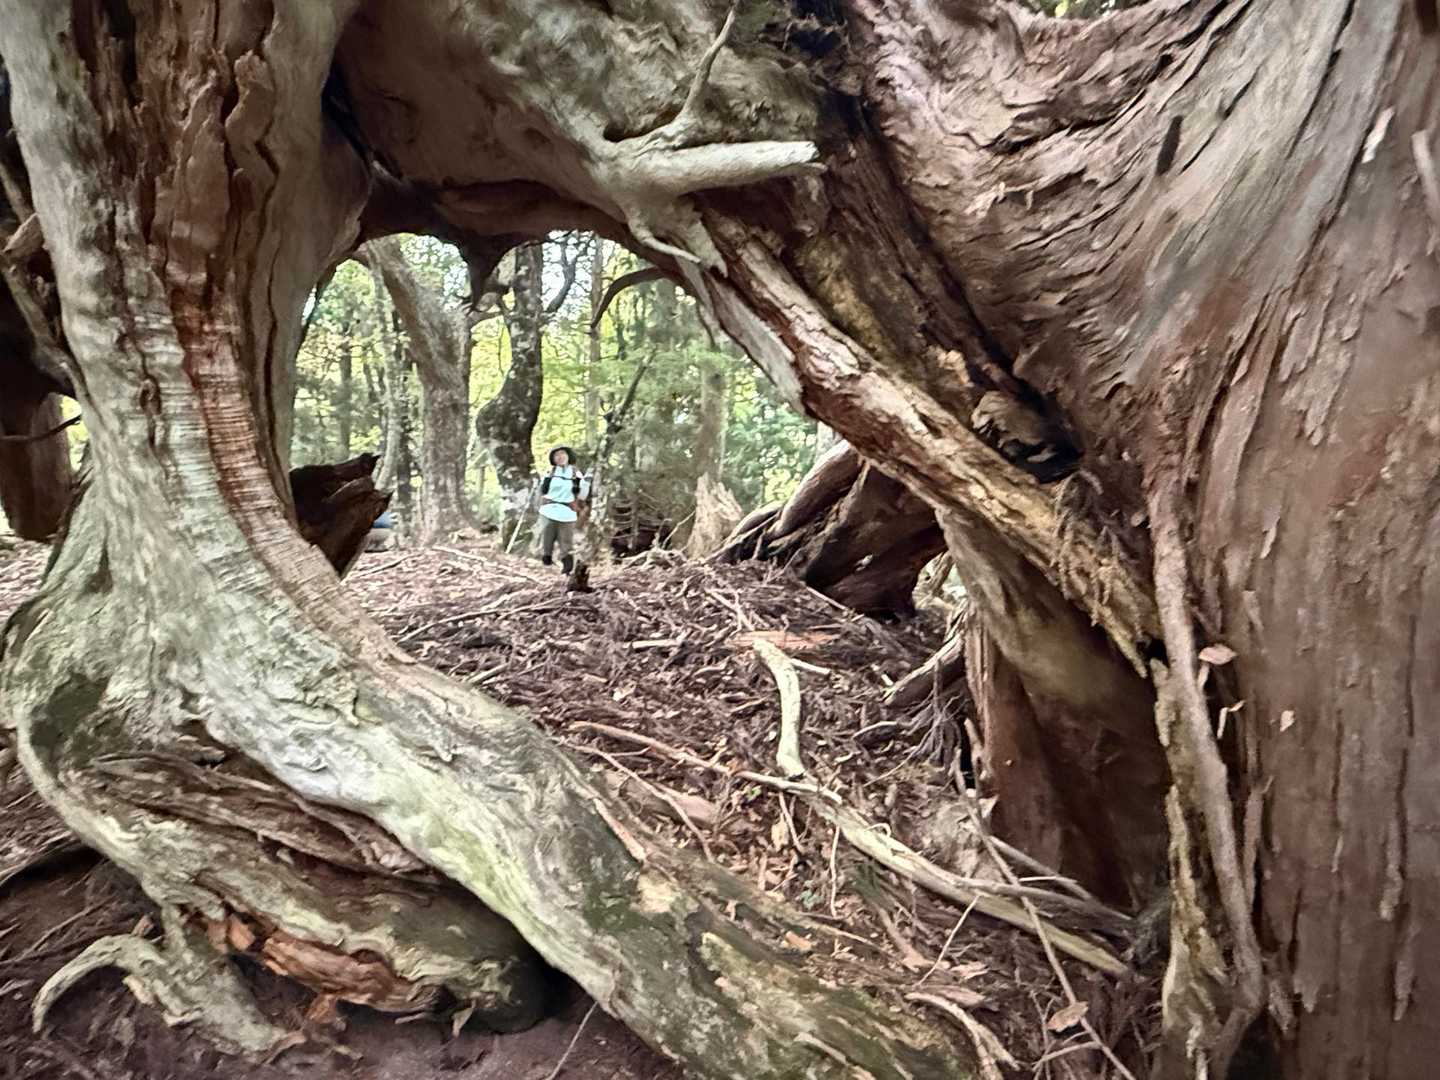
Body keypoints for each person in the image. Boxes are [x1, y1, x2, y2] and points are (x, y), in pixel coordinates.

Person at [535, 446, 588, 573]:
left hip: (567, 511)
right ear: (553, 459)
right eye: (557, 455)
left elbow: (583, 495)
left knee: (566, 541)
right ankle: (546, 563)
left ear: (568, 456)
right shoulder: (549, 472)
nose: (560, 457)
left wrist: (586, 483)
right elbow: (541, 491)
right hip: (548, 509)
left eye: (563, 454)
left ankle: (567, 568)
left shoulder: (576, 474)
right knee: (547, 538)